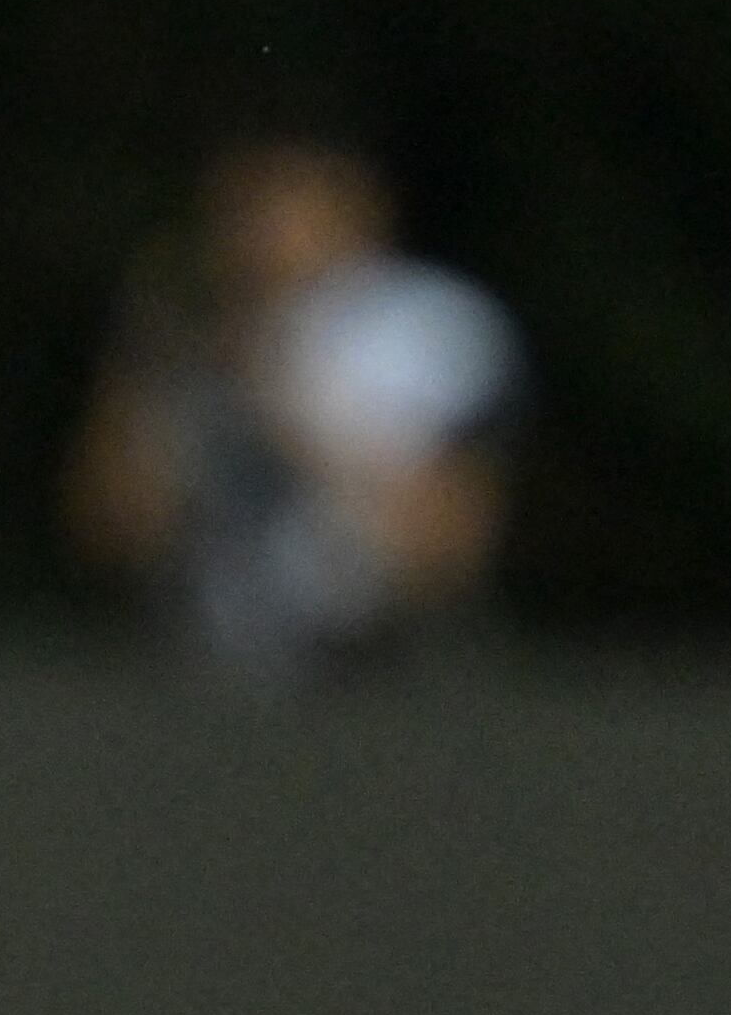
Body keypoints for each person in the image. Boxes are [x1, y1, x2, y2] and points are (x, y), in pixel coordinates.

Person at [67, 138, 522, 680]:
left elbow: (442, 548)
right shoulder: (193, 335)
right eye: (240, 209)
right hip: (212, 674)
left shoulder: (429, 328)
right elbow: (108, 531)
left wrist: (277, 397)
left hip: (380, 673)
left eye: (279, 204)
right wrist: (142, 377)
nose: (255, 232)